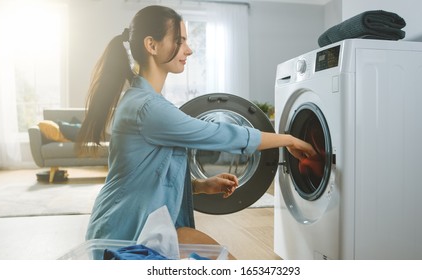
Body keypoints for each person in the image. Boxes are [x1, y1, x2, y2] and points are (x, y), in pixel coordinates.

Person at [77, 5, 316, 241]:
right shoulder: (148, 109)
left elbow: (150, 175)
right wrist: (288, 139)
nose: (189, 50)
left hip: (136, 224)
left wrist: (199, 186)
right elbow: (220, 135)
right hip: (124, 233)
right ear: (152, 45)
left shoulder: (145, 101)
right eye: (179, 41)